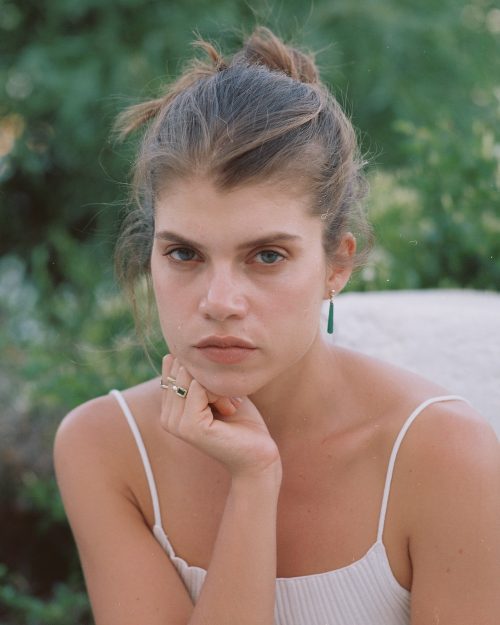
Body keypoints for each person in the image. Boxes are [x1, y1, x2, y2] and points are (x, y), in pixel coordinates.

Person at [53, 27, 500, 625]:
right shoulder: (105, 448)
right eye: (184, 254)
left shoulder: (444, 455)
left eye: (267, 256)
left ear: (337, 264)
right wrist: (253, 482)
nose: (219, 302)